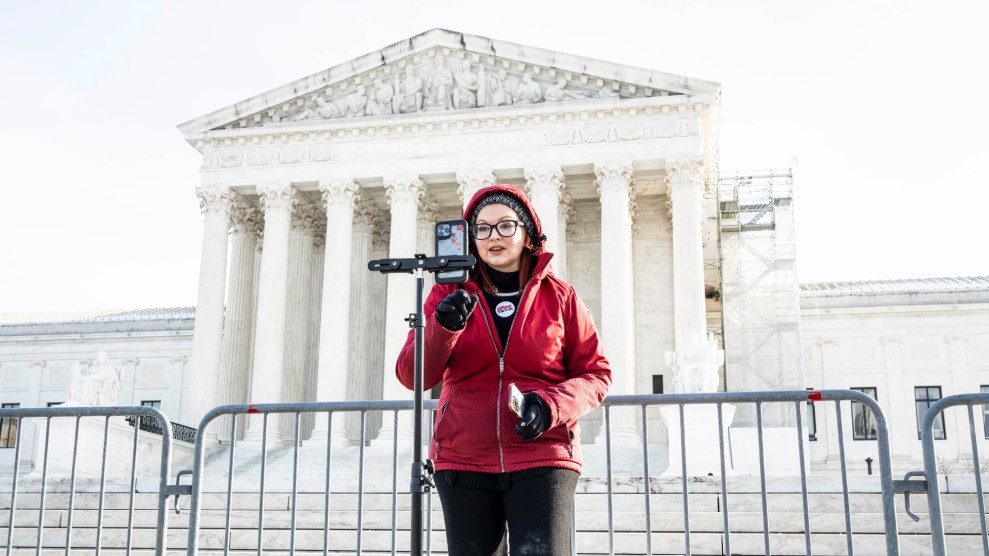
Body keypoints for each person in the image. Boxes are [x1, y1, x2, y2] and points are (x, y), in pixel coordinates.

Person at [396, 184, 612, 555]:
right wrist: (442, 329)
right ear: (470, 238)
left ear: (527, 233)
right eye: (481, 228)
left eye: (506, 225)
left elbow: (596, 373)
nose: (493, 236)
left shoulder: (560, 297)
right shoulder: (447, 295)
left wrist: (549, 406)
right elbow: (413, 375)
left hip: (543, 453)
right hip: (464, 457)